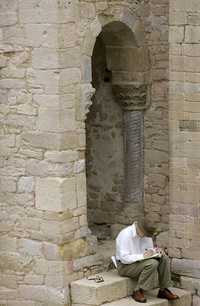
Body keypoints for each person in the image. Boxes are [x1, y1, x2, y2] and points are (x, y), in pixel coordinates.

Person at [115, 221, 179, 303]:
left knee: (164, 258)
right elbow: (124, 258)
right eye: (145, 234)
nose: (146, 237)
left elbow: (148, 250)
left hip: (140, 261)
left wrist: (156, 251)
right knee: (153, 263)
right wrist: (143, 256)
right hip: (125, 266)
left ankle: (163, 290)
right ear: (139, 229)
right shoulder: (125, 235)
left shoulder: (146, 235)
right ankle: (138, 291)